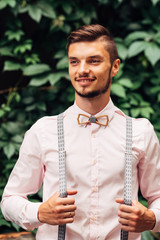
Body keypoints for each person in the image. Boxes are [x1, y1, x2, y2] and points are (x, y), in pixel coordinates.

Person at [1, 24, 160, 240]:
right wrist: (39, 212)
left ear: (115, 67)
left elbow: (158, 196)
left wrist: (151, 219)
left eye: (93, 61)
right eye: (74, 62)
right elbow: (9, 199)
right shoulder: (43, 130)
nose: (82, 69)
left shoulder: (141, 131)